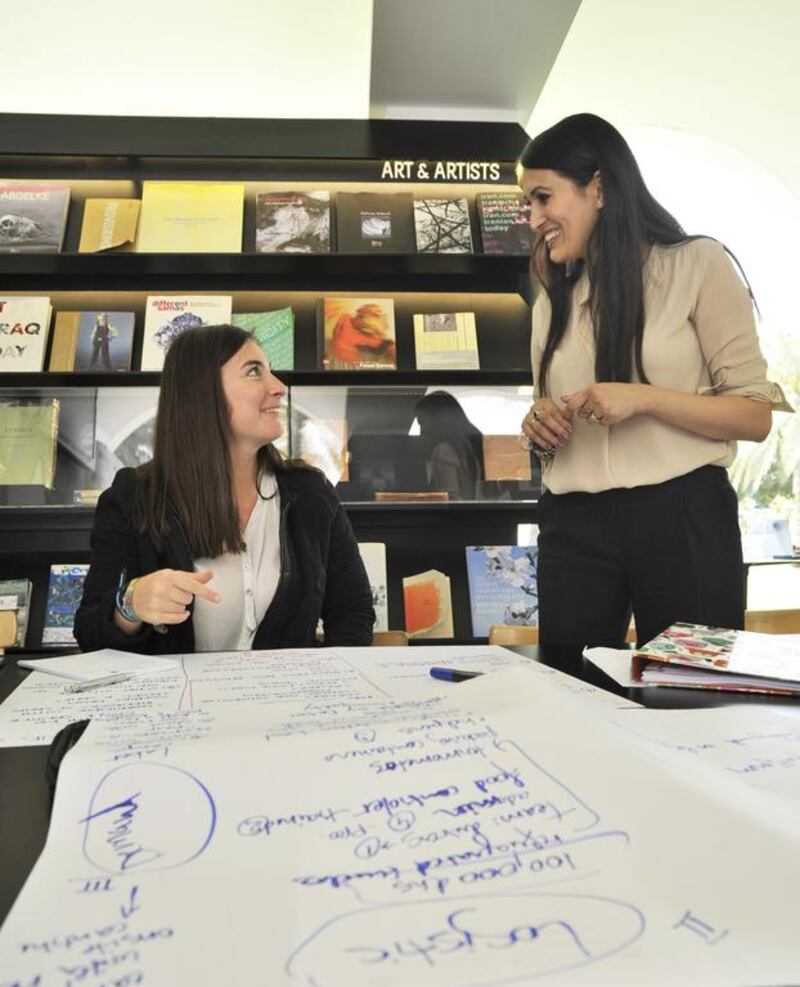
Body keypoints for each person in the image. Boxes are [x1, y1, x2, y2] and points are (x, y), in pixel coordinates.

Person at [517, 113, 788, 649]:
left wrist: (642, 399)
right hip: (572, 522)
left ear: (597, 188)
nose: (533, 217)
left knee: (692, 700)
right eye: (530, 203)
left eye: (544, 198)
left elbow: (755, 416)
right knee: (571, 704)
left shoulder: (698, 265)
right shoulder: (552, 302)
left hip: (682, 514)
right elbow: (546, 414)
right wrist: (537, 423)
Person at [75, 324, 375, 654]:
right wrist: (130, 603)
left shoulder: (311, 493)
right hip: (173, 704)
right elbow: (89, 635)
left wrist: (334, 689)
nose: (278, 387)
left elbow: (352, 612)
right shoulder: (133, 496)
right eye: (253, 372)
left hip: (287, 703)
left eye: (270, 371)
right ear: (202, 392)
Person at [414, 390, 484, 500]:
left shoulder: (443, 451)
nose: (421, 431)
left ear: (438, 419)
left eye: (422, 422)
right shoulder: (472, 447)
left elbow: (450, 501)